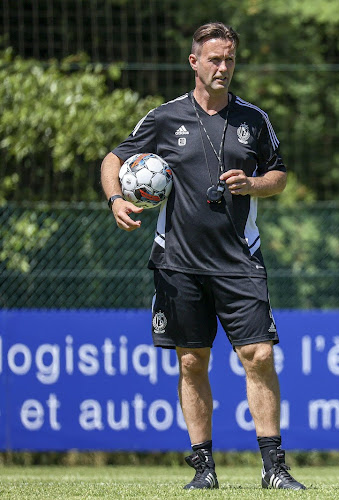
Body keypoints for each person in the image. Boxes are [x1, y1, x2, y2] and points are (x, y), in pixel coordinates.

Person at [100, 22, 305, 491]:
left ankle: (274, 468)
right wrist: (116, 199)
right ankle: (203, 468)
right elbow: (115, 159)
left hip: (239, 261)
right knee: (192, 361)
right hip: (178, 262)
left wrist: (253, 184)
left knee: (258, 355)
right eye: (214, 59)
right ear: (194, 62)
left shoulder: (255, 119)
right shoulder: (164, 118)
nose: (223, 67)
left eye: (230, 59)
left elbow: (280, 175)